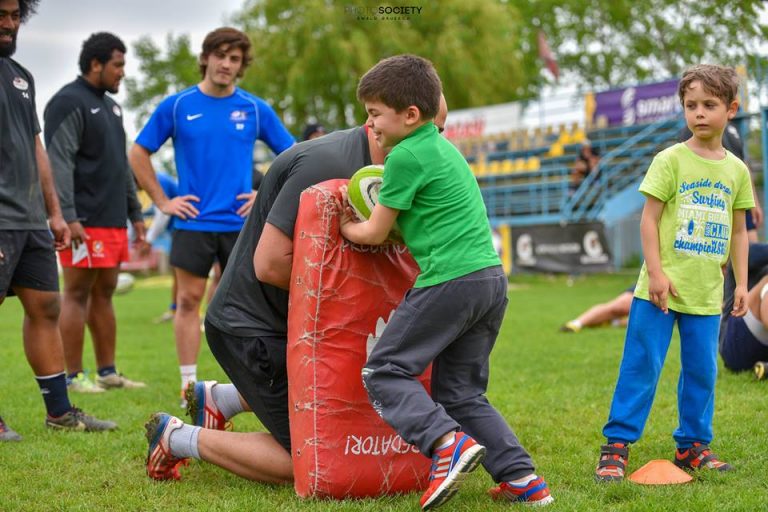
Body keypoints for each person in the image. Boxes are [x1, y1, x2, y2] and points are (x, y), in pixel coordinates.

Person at [142, 94, 448, 483]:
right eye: (431, 131)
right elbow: (269, 264)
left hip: (296, 325)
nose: (437, 144)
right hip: (250, 327)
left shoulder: (392, 168)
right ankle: (175, 438)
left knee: (362, 412)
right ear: (393, 119)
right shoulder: (326, 164)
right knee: (322, 457)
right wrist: (351, 302)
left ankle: (220, 399)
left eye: (442, 132)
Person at [340, 55, 553, 509]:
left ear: (410, 115)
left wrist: (346, 226)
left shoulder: (404, 156)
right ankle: (523, 480)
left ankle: (445, 443)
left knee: (384, 369)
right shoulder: (442, 146)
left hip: (449, 280)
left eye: (375, 113)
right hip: (490, 280)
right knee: (460, 392)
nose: (369, 124)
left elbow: (374, 232)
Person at [594, 64, 753, 482]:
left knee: (702, 372)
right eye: (691, 105)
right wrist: (657, 274)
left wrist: (741, 283)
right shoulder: (669, 160)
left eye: (709, 105)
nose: (699, 113)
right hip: (658, 292)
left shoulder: (737, 171)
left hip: (706, 294)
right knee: (641, 366)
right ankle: (616, 446)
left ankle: (693, 446)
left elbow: (740, 231)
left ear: (731, 109)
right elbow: (648, 220)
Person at [129, 27, 295, 406]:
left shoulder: (255, 108)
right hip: (192, 223)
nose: (226, 64)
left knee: (250, 308)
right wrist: (163, 202)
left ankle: (251, 385)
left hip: (242, 226)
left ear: (241, 65)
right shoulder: (177, 106)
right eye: (220, 55)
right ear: (205, 58)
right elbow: (138, 153)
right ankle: (188, 386)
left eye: (234, 58)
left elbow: (293, 155)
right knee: (188, 301)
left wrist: (264, 196)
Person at [0, 0, 117, 441]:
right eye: (0, 15)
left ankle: (60, 413)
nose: (10, 24)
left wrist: (54, 212)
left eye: (15, 15)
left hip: (30, 219)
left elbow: (36, 147)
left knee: (46, 306)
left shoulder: (20, 77)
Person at [44, 32, 146, 393]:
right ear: (95, 64)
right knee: (76, 293)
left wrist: (136, 214)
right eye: (117, 65)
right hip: (82, 220)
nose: (122, 72)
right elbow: (58, 164)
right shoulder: (67, 102)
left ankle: (107, 372)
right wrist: (67, 217)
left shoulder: (113, 108)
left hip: (113, 219)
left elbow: (121, 166)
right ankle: (73, 377)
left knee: (105, 292)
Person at [679, 120, 763, 242]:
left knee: (750, 242)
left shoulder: (733, 130)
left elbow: (744, 166)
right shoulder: (692, 130)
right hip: (716, 200)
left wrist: (755, 202)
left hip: (738, 196)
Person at [560, 286, 634, 332]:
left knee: (640, 318)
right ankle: (576, 324)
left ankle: (615, 323)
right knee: (619, 306)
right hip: (640, 282)